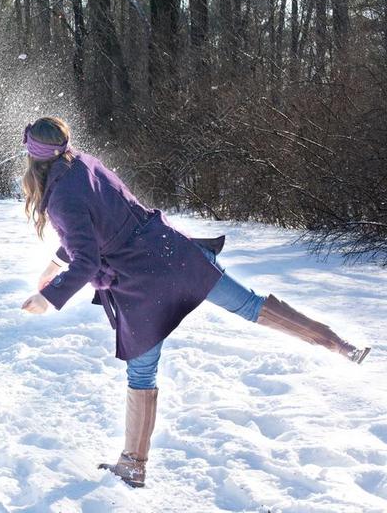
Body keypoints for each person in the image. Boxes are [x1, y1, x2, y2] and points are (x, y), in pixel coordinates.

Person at [18, 116, 370, 488]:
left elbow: (87, 258)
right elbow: (97, 225)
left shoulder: (60, 198)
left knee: (141, 374)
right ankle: (339, 344)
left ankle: (134, 465)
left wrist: (49, 297)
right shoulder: (86, 164)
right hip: (174, 252)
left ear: (33, 159)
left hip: (141, 282)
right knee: (251, 305)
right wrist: (55, 264)